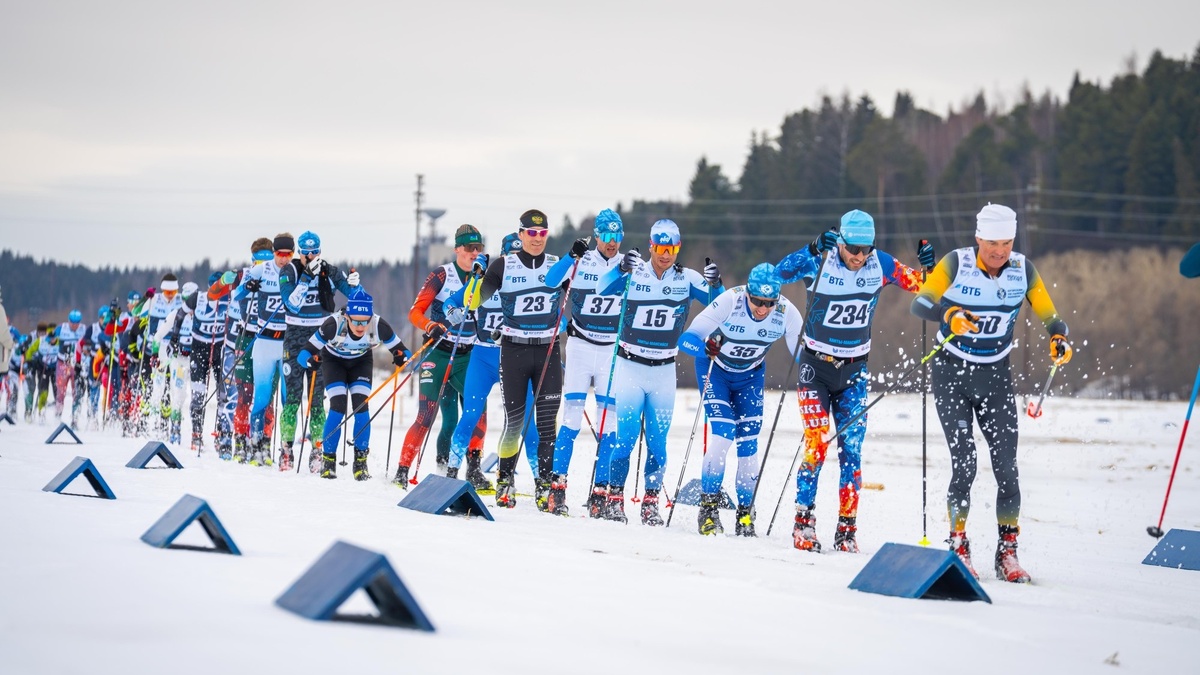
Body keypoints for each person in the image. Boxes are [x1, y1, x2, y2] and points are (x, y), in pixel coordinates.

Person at [911, 203, 1071, 583]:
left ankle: (1007, 552)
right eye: (993, 243)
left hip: (996, 377)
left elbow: (1051, 315)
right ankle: (958, 545)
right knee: (965, 463)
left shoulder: (1022, 269)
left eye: (1007, 243)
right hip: (952, 374)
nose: (1000, 251)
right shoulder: (956, 263)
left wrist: (1059, 338)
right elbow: (920, 303)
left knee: (1007, 469)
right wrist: (950, 315)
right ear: (978, 238)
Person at [775, 209, 934, 553]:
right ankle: (804, 523)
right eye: (853, 249)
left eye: (866, 249)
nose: (859, 257)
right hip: (815, 369)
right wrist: (811, 247)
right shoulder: (820, 261)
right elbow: (778, 274)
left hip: (854, 372)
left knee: (852, 451)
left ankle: (846, 530)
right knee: (817, 444)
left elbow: (924, 287)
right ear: (841, 242)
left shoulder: (881, 264)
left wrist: (930, 267)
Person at [592, 218, 723, 524]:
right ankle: (614, 498)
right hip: (630, 366)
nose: (666, 255)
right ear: (651, 246)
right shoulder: (634, 271)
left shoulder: (687, 277)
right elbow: (600, 288)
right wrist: (620, 268)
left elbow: (721, 307)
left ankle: (650, 502)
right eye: (661, 248)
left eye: (672, 249)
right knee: (625, 439)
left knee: (658, 443)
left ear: (678, 249)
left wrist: (717, 284)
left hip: (663, 370)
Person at [677, 263, 803, 535]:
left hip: (750, 377)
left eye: (769, 303)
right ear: (747, 293)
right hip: (716, 371)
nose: (763, 309)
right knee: (723, 434)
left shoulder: (786, 312)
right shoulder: (729, 301)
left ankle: (745, 514)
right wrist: (705, 348)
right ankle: (708, 509)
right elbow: (686, 340)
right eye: (757, 301)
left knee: (749, 443)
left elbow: (801, 355)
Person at [456, 209, 570, 508]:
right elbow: (472, 302)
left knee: (547, 425)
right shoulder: (503, 265)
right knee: (515, 422)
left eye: (542, 233)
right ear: (521, 234)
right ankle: (505, 482)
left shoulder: (557, 264)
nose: (537, 239)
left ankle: (544, 487)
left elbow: (584, 293)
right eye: (531, 233)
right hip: (513, 351)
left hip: (547, 351)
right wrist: (476, 276)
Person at [541, 208, 626, 515]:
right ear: (597, 236)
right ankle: (557, 488)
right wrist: (569, 256)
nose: (612, 242)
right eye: (607, 235)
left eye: (617, 235)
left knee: (608, 424)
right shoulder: (582, 261)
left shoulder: (627, 264)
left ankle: (600, 493)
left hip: (610, 351)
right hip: (580, 348)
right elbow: (551, 281)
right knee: (572, 420)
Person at [441, 232, 540, 490]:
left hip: (516, 359)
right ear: (502, 257)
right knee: (470, 416)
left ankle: (540, 483)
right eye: (511, 255)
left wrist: (557, 326)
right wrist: (452, 311)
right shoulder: (486, 281)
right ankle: (451, 475)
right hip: (483, 358)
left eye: (520, 255)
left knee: (526, 424)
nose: (516, 260)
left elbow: (555, 314)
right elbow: (451, 301)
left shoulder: (531, 282)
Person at [392, 224, 488, 487]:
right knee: (426, 415)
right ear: (457, 249)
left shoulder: (485, 276)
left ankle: (474, 470)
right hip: (438, 352)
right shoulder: (442, 275)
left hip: (468, 355)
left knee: (478, 411)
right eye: (469, 248)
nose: (474, 253)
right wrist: (430, 325)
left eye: (479, 248)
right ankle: (402, 471)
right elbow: (415, 312)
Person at [299, 287, 410, 480]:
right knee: (338, 406)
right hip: (334, 362)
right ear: (347, 316)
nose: (360, 326)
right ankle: (328, 461)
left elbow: (405, 352)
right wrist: (310, 362)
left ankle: (360, 463)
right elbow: (303, 354)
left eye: (365, 321)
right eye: (356, 321)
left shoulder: (379, 325)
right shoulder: (333, 324)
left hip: (361, 363)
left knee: (361, 407)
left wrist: (402, 357)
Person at [278, 230, 360, 471]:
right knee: (292, 399)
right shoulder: (290, 271)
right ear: (300, 253)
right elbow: (291, 304)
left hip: (321, 339)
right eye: (307, 254)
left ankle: (317, 449)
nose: (311, 258)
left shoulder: (329, 271)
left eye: (315, 253)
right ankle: (286, 449)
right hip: (294, 339)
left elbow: (358, 300)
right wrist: (305, 278)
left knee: (316, 400)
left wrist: (356, 286)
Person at [237, 233, 295, 466]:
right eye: (280, 254)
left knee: (287, 400)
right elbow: (236, 294)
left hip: (287, 343)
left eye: (288, 254)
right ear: (274, 254)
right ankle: (255, 446)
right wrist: (247, 286)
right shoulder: (261, 270)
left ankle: (285, 450)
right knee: (261, 398)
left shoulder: (296, 271)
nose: (284, 259)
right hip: (264, 343)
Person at [188, 273, 227, 452]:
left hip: (220, 350)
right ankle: (196, 434)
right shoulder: (198, 298)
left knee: (223, 395)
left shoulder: (229, 300)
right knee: (198, 394)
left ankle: (220, 433)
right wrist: (173, 338)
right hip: (199, 351)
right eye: (214, 288)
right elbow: (178, 314)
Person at [158, 283, 199, 444]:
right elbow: (160, 334)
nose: (188, 306)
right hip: (180, 360)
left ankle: (196, 432)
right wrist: (156, 352)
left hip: (196, 360)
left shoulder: (201, 314)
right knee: (179, 394)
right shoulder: (176, 314)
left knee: (197, 395)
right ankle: (175, 429)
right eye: (184, 300)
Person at [53, 310, 89, 428]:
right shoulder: (61, 328)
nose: (74, 325)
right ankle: (58, 415)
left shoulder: (84, 329)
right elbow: (51, 339)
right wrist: (53, 339)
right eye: (72, 322)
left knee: (77, 392)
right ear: (68, 321)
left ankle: (75, 418)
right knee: (60, 391)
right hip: (63, 363)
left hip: (76, 365)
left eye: (76, 323)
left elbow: (89, 343)